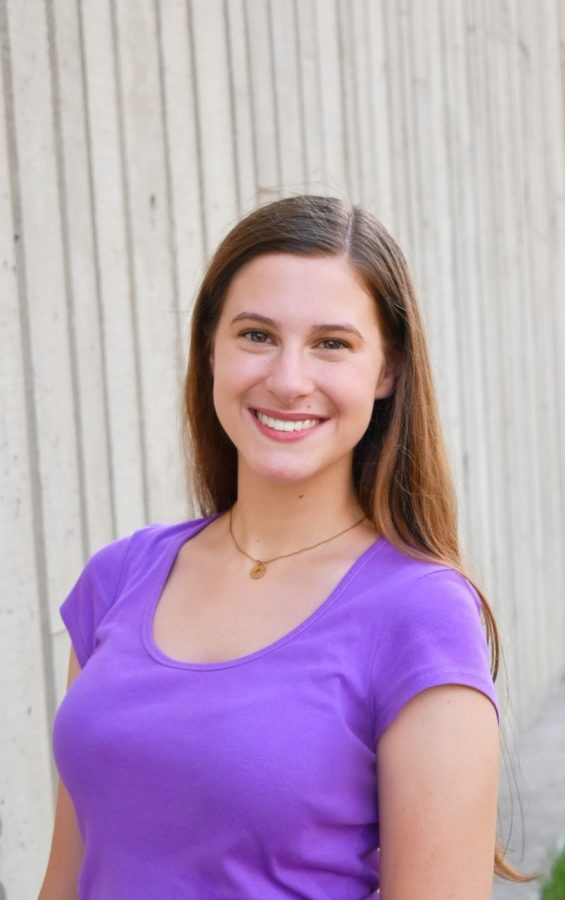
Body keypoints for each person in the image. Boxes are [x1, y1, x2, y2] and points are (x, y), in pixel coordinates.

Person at [39, 195, 534, 899]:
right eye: (256, 335)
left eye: (331, 343)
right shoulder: (117, 579)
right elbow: (66, 879)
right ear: (211, 346)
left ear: (386, 370)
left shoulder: (419, 616)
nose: (288, 379)